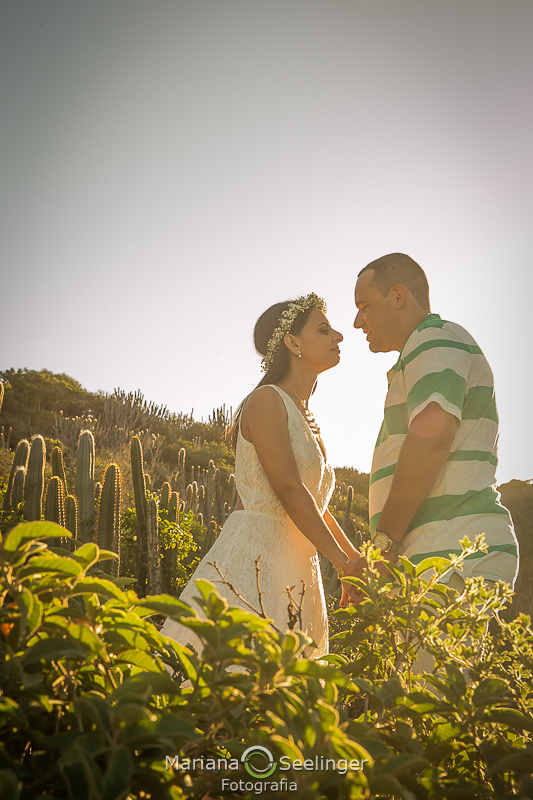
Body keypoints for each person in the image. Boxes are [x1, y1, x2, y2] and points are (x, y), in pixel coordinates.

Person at [161, 292, 362, 667]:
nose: (338, 335)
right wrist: (341, 562)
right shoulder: (267, 400)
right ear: (292, 342)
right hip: (257, 558)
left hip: (296, 565)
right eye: (324, 329)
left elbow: (315, 505)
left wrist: (354, 560)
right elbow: (288, 489)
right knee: (235, 671)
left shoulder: (308, 418)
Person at [352, 252, 519, 595]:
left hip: (450, 555)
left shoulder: (433, 340)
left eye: (364, 306)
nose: (357, 321)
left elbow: (430, 436)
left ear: (397, 297)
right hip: (437, 555)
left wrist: (382, 547)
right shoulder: (426, 347)